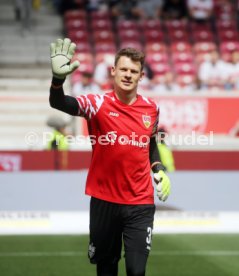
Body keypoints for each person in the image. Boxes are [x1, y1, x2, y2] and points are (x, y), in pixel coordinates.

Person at [49, 38, 171, 276]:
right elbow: (59, 102)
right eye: (123, 69)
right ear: (113, 71)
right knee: (106, 268)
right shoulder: (96, 103)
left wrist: (158, 168)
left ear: (141, 76)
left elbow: (151, 142)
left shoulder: (151, 108)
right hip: (105, 201)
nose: (128, 74)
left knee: (136, 271)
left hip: (140, 201)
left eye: (133, 71)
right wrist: (57, 80)